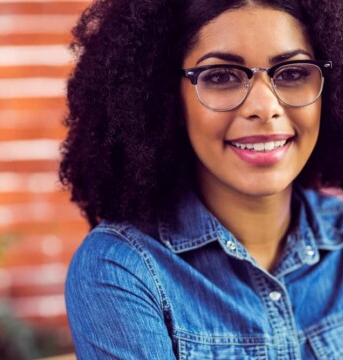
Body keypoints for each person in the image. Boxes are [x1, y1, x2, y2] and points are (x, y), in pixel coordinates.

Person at [59, 0, 343, 358]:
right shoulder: (123, 270)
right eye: (221, 76)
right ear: (168, 99)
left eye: (291, 72)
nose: (264, 107)